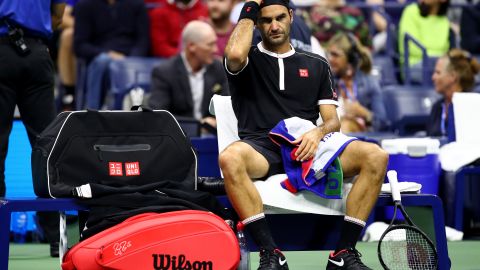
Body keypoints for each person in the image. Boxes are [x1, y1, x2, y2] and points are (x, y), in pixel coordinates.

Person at [221, 0, 388, 269]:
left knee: (375, 156)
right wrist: (250, 9)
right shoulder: (246, 59)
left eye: (279, 18)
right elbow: (236, 54)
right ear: (257, 24)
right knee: (230, 159)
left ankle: (343, 253)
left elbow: (333, 121)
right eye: (266, 21)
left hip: (308, 147)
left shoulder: (317, 64)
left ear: (291, 16)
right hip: (261, 148)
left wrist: (317, 132)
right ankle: (270, 253)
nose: (274, 26)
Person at [0, 0, 66, 257]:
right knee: (47, 146)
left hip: (2, 48)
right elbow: (58, 17)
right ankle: (54, 237)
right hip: (37, 53)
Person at [148, 21, 229, 132]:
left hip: (213, 136)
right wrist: (198, 125)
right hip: (177, 137)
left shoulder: (218, 69)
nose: (215, 50)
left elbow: (227, 106)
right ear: (191, 46)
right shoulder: (164, 72)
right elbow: (159, 115)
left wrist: (216, 121)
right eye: (210, 44)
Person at [74, 0, 150, 109]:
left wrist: (131, 60)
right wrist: (107, 54)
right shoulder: (85, 5)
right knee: (103, 61)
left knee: (133, 66)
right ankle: (92, 112)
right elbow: (80, 45)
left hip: (130, 57)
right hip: (100, 56)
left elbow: (143, 40)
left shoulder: (137, 4)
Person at [326, 33, 388, 133]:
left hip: (364, 138)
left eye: (335, 55)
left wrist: (364, 113)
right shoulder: (327, 81)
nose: (330, 59)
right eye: (329, 54)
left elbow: (383, 123)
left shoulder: (370, 83)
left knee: (345, 125)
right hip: (334, 135)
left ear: (350, 59)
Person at [427, 48, 480, 139]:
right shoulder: (437, 107)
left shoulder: (471, 106)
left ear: (452, 76)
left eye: (438, 72)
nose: (433, 77)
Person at [398, 0, 451, 82]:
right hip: (413, 66)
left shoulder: (444, 20)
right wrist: (437, 58)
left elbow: (445, 48)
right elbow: (412, 48)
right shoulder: (411, 11)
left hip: (439, 66)